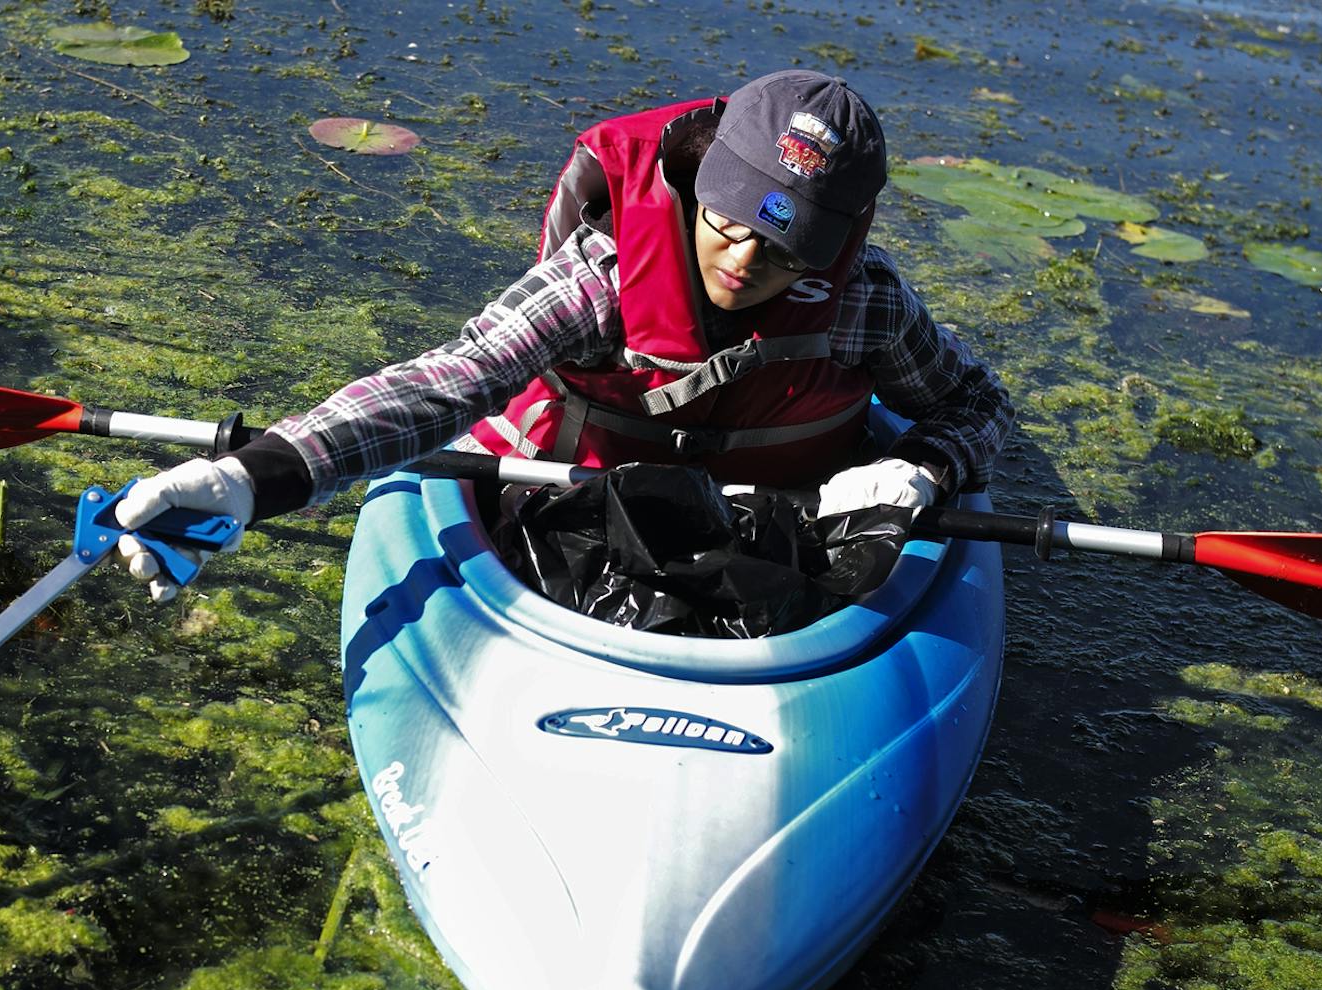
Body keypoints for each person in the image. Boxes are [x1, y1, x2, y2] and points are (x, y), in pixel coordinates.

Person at [114, 69, 1013, 604]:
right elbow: (449, 380)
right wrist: (249, 477)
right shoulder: (602, 279)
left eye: (783, 249)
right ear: (700, 178)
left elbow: (976, 406)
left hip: (777, 531)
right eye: (728, 220)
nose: (743, 258)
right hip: (573, 507)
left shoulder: (865, 307)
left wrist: (922, 469)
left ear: (837, 244)